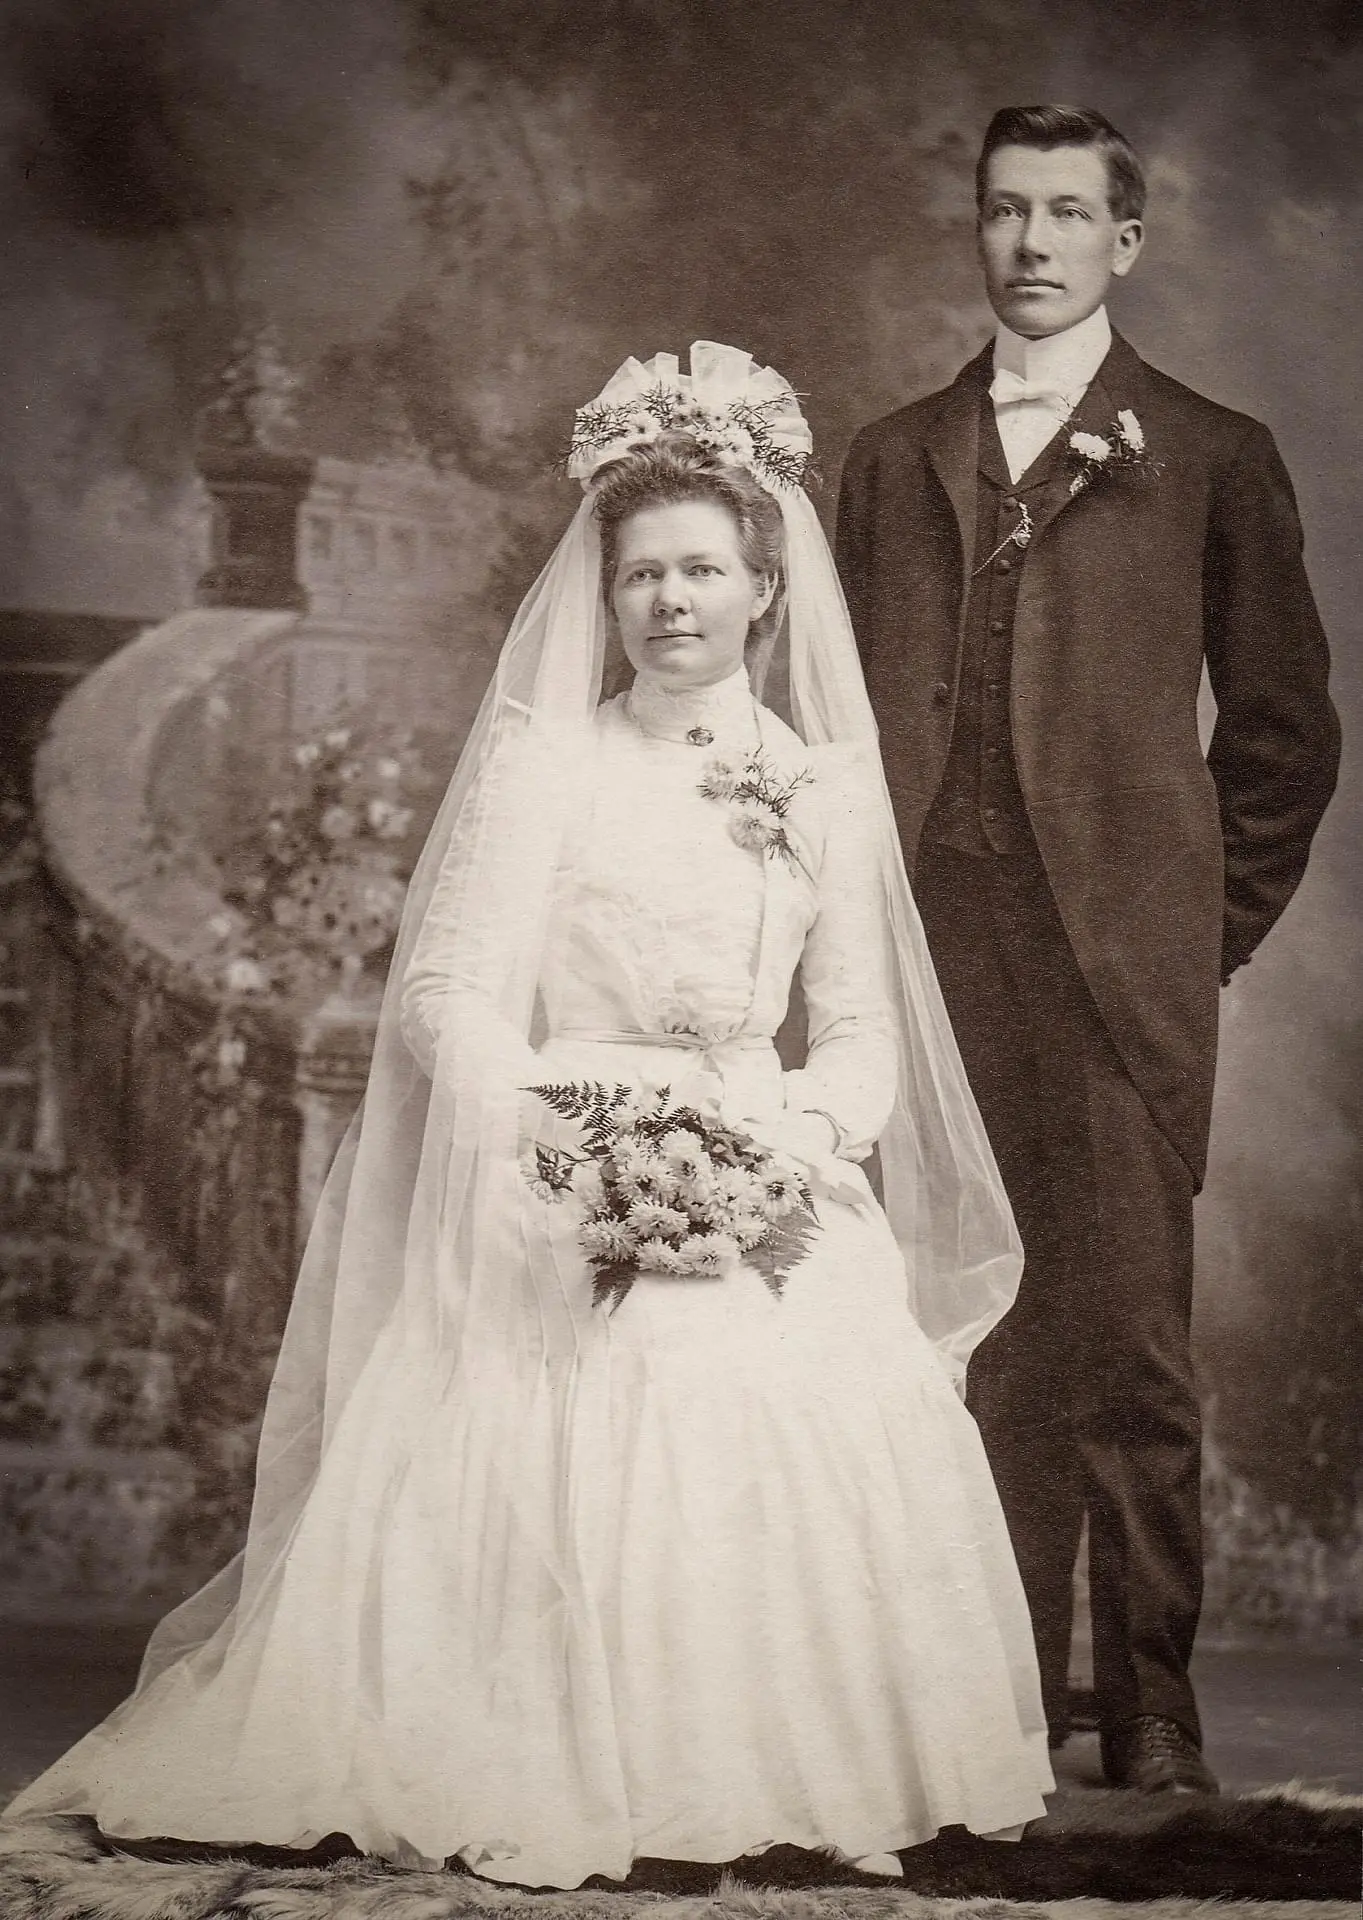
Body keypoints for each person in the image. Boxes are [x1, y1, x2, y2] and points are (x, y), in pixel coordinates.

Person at [5, 343, 1054, 1888]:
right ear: (605, 589)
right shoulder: (543, 760)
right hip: (563, 1143)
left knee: (793, 1372)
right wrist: (562, 1136)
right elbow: (446, 999)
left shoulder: (817, 783)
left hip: (757, 1152)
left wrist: (792, 1148)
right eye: (641, 575)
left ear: (765, 586)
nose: (671, 602)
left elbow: (854, 1033)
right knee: (578, 1373)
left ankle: (756, 1763)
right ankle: (537, 1749)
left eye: (703, 570)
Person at [836, 107, 1340, 1795]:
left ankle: (1150, 1719)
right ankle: (985, 1699)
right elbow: (834, 726)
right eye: (1003, 212)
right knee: (974, 1340)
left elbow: (1281, 738)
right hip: (932, 962)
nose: (1032, 243)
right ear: (972, 235)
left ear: (1126, 241)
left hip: (1120, 981)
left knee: (1124, 1350)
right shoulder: (894, 458)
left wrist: (1189, 939)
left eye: (1067, 215)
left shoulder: (1207, 449)